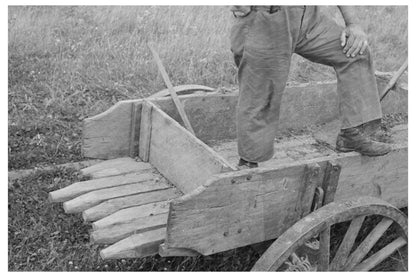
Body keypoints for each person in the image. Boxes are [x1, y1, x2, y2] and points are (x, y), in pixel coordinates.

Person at [229, 6, 391, 169]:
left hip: (306, 16)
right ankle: (248, 165)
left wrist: (353, 24)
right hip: (266, 17)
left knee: (356, 50)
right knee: (261, 91)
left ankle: (353, 134)